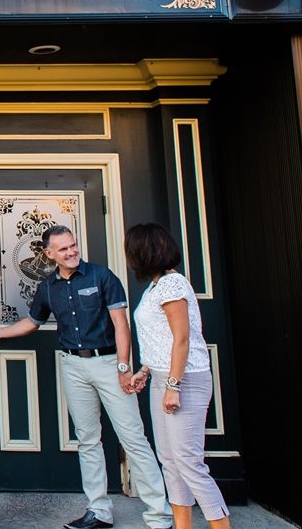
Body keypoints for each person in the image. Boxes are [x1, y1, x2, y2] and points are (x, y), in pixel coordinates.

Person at [0, 225, 172, 529]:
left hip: (109, 363)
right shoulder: (48, 287)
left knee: (133, 438)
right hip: (72, 366)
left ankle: (160, 516)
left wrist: (123, 367)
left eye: (73, 246)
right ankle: (99, 512)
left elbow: (121, 325)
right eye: (64, 249)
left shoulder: (102, 276)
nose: (71, 252)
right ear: (49, 254)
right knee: (87, 440)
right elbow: (32, 322)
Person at [124, 223, 231, 529]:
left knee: (188, 462)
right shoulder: (156, 286)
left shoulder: (172, 285)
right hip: (162, 378)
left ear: (141, 253)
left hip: (185, 380)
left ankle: (221, 525)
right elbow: (161, 338)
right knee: (170, 461)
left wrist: (173, 385)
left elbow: (181, 338)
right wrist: (146, 370)